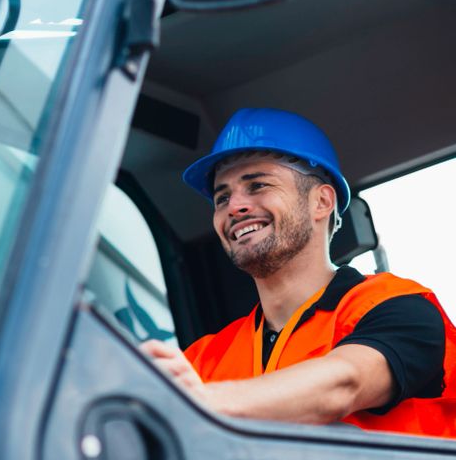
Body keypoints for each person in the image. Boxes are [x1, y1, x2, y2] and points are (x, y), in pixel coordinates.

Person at [141, 108, 456, 437]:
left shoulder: (400, 308)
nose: (234, 207)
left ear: (321, 202)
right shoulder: (204, 359)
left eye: (258, 185)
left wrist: (201, 404)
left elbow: (344, 384)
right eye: (222, 198)